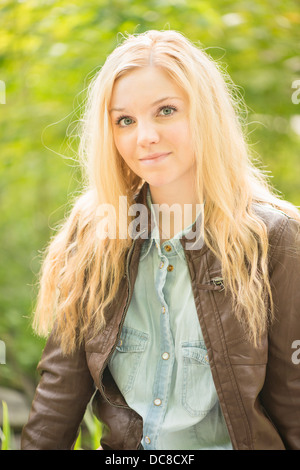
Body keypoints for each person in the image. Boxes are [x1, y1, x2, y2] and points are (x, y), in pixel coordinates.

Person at [21, 30, 300, 450]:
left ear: (205, 115)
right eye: (125, 121)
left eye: (166, 111)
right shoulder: (94, 236)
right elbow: (60, 393)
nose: (144, 136)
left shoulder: (273, 239)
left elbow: (292, 398)